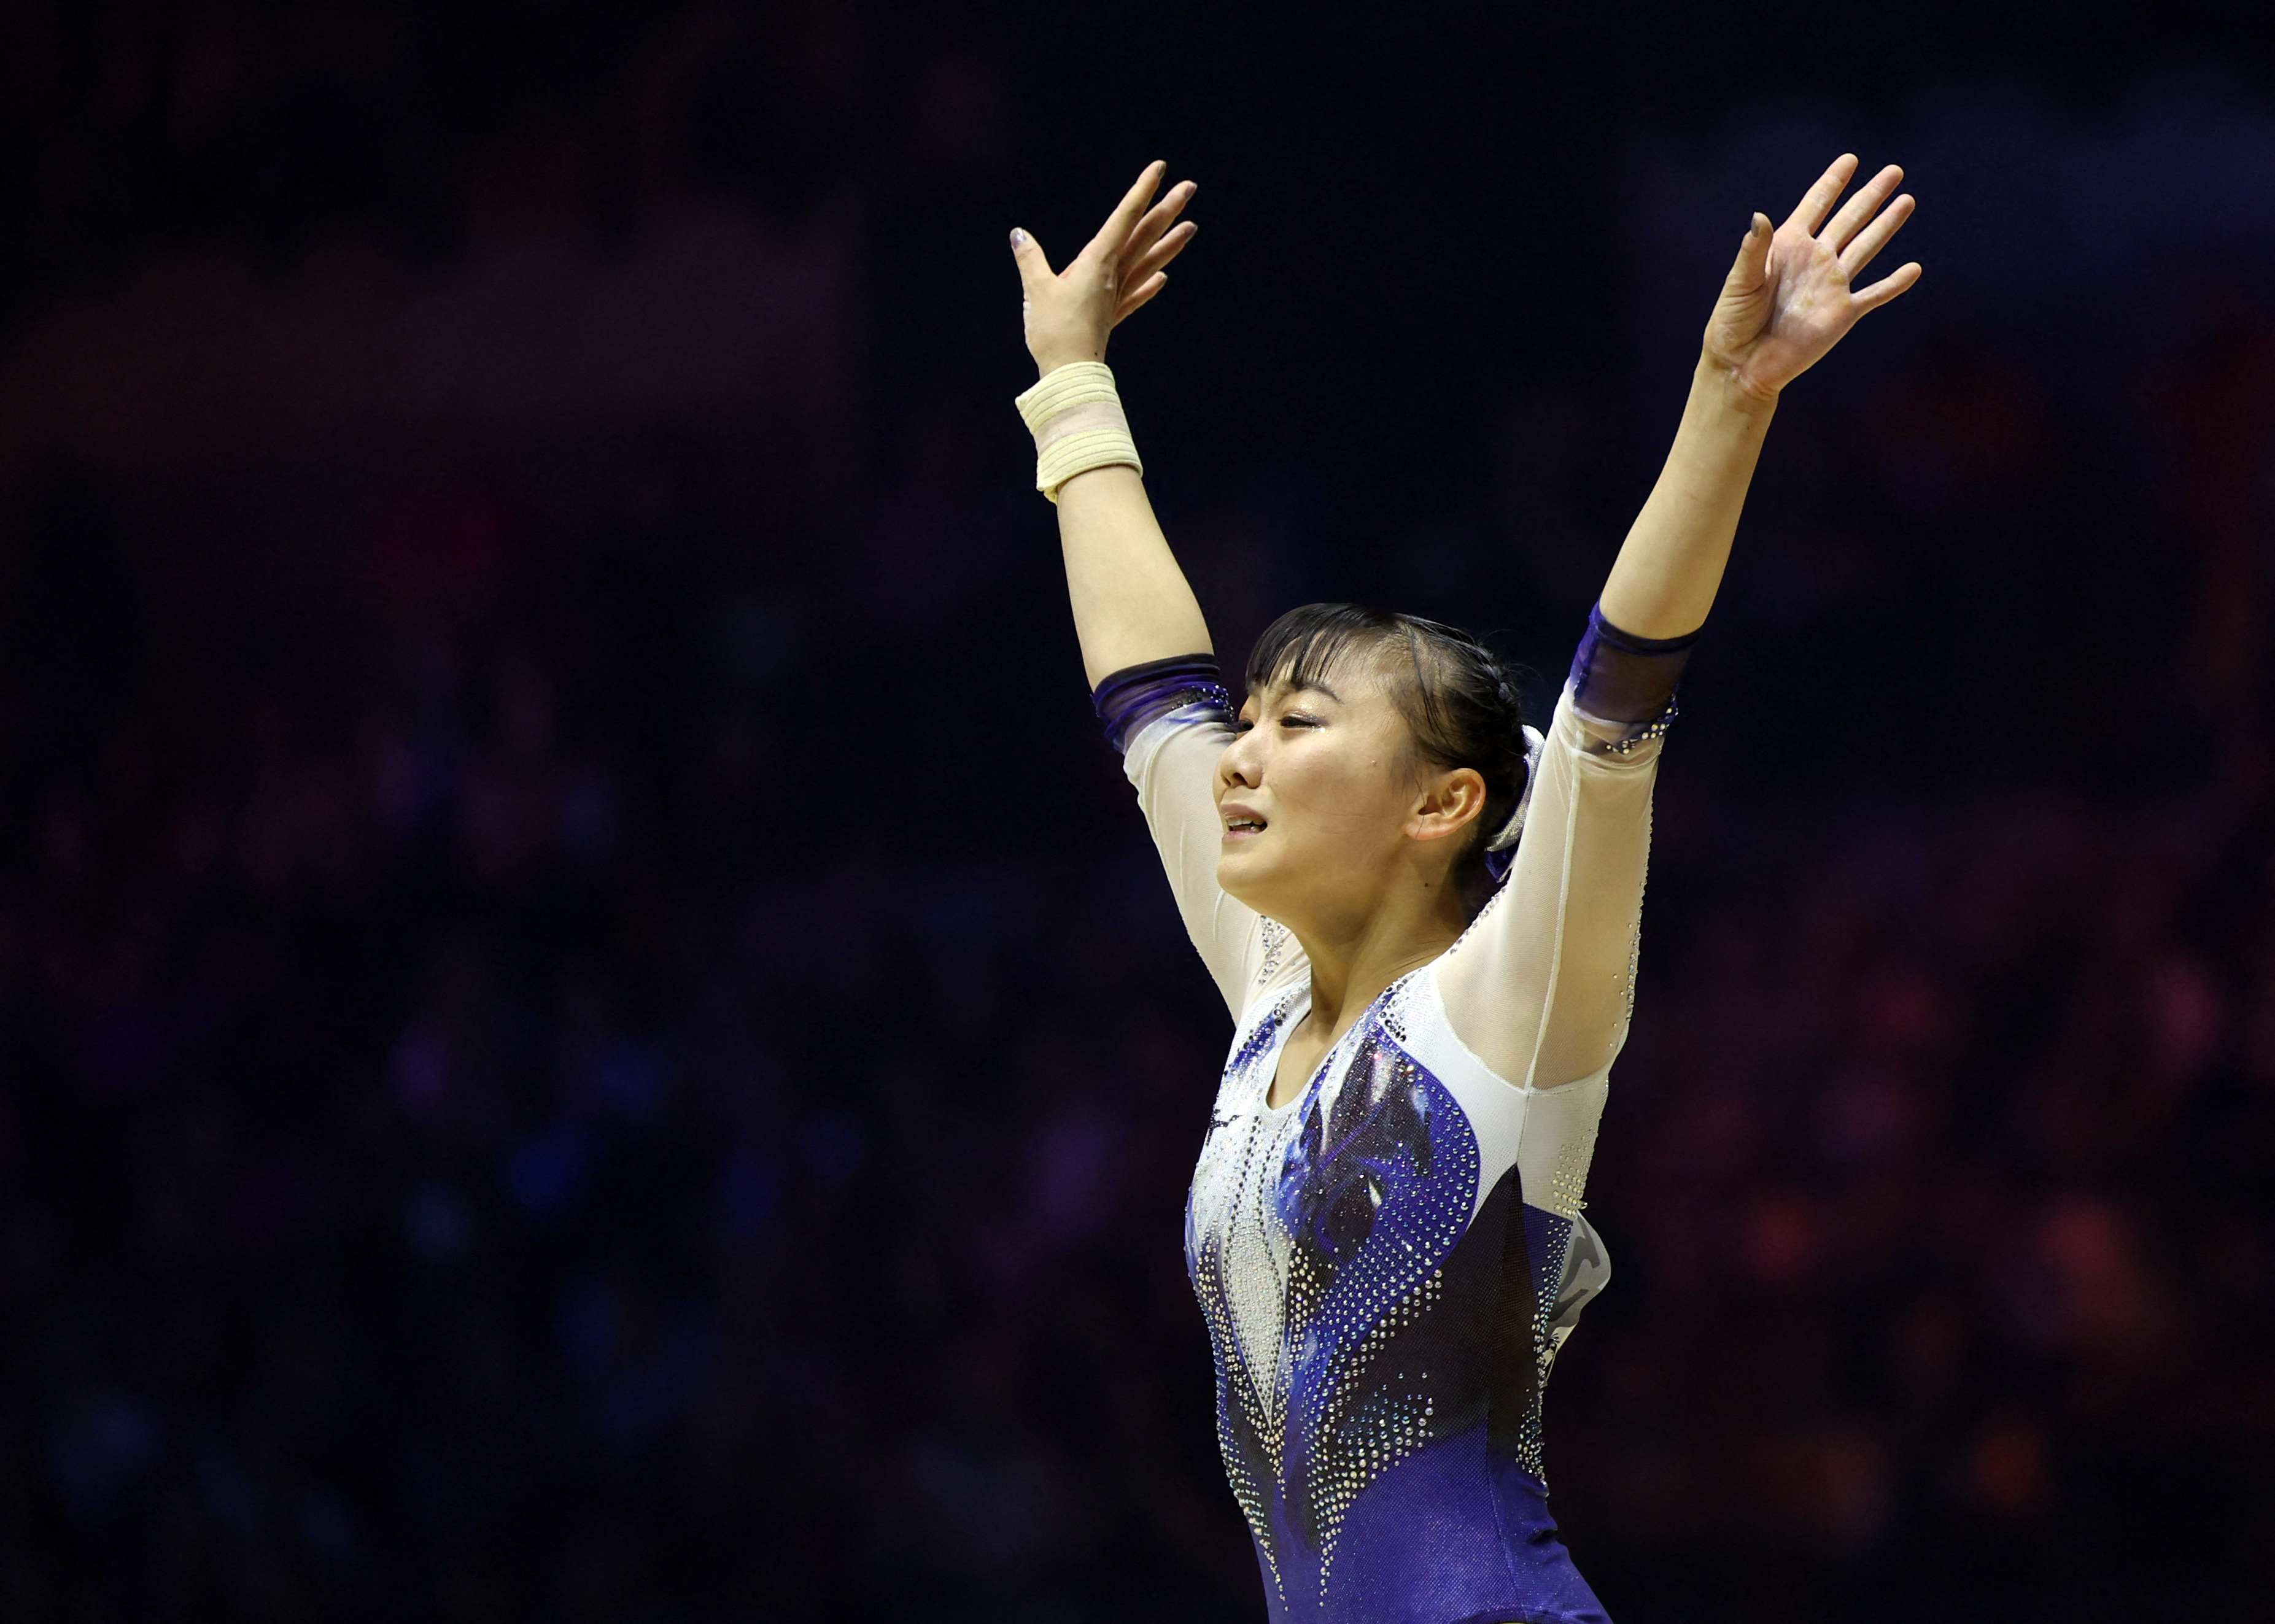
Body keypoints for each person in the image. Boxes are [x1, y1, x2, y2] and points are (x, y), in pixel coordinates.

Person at [1007, 155, 1920, 1624]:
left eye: (1295, 726)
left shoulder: (1513, 1005)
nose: (1235, 756)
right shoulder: (1264, 995)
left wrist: (1726, 401)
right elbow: (1146, 696)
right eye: (1248, 724)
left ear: (1443, 806)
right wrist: (1070, 383)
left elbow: (1613, 705)